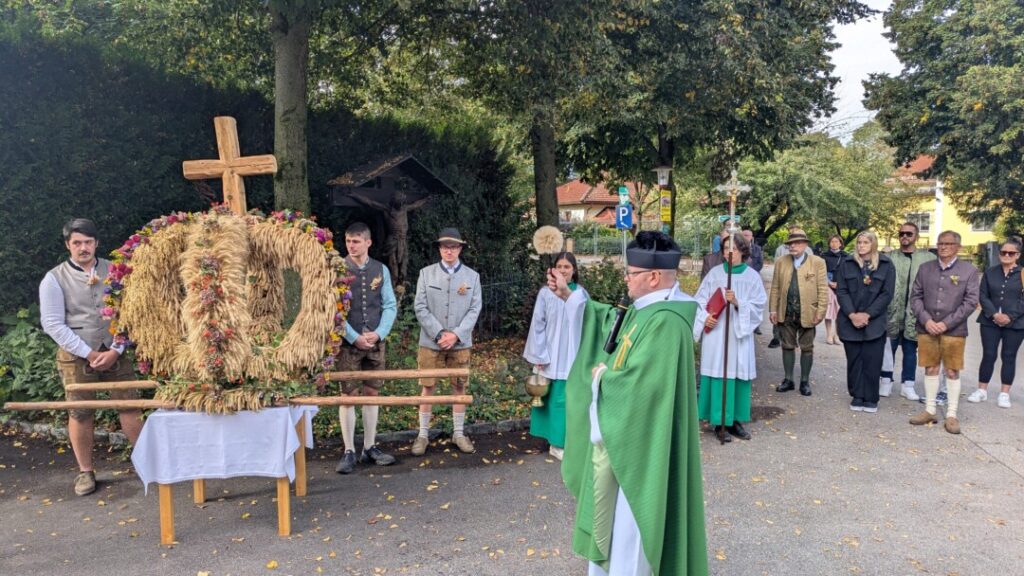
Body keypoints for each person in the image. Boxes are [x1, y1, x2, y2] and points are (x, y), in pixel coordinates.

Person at [553, 231, 707, 576]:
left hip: (642, 448)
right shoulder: (645, 311)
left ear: (653, 277)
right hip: (626, 438)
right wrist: (570, 296)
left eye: (631, 273)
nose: (626, 278)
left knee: (631, 530)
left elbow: (644, 386)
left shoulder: (668, 321)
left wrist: (601, 379)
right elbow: (611, 321)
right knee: (614, 525)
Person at [39, 218, 143, 496]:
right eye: (77, 243)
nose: (83, 247)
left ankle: (147, 464)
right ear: (68, 245)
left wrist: (116, 349)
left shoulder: (118, 270)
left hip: (115, 350)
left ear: (96, 243)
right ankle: (85, 472)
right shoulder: (54, 278)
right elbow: (52, 323)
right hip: (76, 355)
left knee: (131, 406)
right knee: (81, 412)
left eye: (87, 242)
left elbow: (131, 312)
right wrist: (88, 352)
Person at [412, 228, 482, 455]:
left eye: (453, 247)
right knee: (427, 386)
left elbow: (474, 309)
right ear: (439, 249)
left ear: (460, 248)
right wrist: (439, 333)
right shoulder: (426, 274)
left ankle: (459, 433)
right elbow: (420, 307)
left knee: (459, 386)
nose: (449, 251)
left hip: (460, 343)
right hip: (430, 341)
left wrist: (456, 335)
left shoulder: (472, 277)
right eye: (444, 246)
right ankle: (423, 435)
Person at [334, 222, 398, 474]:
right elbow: (332, 309)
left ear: (368, 243)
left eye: (356, 241)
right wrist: (352, 336)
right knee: (348, 395)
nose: (351, 245)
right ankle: (349, 450)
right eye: (348, 241)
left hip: (374, 342)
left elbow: (389, 305)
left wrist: (380, 333)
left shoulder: (381, 269)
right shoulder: (337, 269)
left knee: (372, 392)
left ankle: (369, 447)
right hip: (347, 344)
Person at [693, 234, 766, 442]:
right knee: (718, 372)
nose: (729, 252)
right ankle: (719, 422)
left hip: (738, 335)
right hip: (717, 334)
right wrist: (705, 317)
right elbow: (699, 300)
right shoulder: (715, 274)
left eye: (733, 248)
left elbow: (758, 306)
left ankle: (734, 421)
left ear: (742, 250)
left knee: (736, 373)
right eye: (725, 248)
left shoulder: (752, 277)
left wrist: (738, 302)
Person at [909, 231, 980, 434]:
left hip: (954, 330)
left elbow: (970, 302)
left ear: (958, 247)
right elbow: (915, 297)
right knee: (930, 368)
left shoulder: (969, 271)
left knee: (952, 370)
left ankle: (951, 414)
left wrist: (946, 324)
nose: (943, 247)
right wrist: (927, 320)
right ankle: (930, 410)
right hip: (927, 328)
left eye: (948, 243)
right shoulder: (925, 268)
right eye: (940, 243)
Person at [523, 252, 589, 461]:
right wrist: (539, 354)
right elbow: (538, 323)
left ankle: (566, 441)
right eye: (559, 266)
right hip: (550, 351)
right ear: (553, 270)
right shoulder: (545, 293)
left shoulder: (580, 293)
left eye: (567, 267)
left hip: (573, 352)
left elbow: (588, 323)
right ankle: (553, 443)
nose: (562, 270)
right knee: (550, 399)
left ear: (574, 270)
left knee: (566, 400)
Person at [835, 232, 895, 413]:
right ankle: (857, 395)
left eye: (866, 242)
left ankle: (870, 398)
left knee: (872, 361)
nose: (861, 245)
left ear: (873, 244)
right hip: (850, 320)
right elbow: (842, 291)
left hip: (874, 322)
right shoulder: (847, 263)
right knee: (854, 361)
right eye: (859, 242)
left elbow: (887, 294)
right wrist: (852, 315)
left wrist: (867, 314)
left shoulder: (886, 264)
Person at [768, 228, 829, 396]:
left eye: (796, 243)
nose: (792, 246)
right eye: (790, 243)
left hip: (808, 312)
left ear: (805, 244)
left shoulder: (817, 262)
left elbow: (823, 289)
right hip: (786, 311)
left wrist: (821, 311)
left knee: (807, 347)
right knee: (787, 346)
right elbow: (775, 287)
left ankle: (804, 381)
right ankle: (788, 379)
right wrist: (772, 309)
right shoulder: (781, 261)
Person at [967, 238, 1024, 409]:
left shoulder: (1022, 274)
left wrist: (1010, 316)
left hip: (1015, 323)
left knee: (1009, 356)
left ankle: (1004, 393)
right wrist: (994, 314)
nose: (1006, 255)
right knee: (989, 355)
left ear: (1018, 255)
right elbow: (983, 295)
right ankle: (981, 390)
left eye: (1011, 253)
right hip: (989, 321)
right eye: (1003, 252)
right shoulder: (990, 272)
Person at [884, 222, 936, 400]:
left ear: (917, 236)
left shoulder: (928, 258)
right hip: (891, 311)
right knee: (887, 349)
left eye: (909, 233)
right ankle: (885, 381)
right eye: (901, 234)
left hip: (915, 313)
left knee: (910, 349)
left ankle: (908, 385)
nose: (904, 236)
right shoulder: (889, 257)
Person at [768, 226, 814, 348]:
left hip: (801, 292)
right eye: (791, 234)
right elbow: (777, 270)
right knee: (781, 314)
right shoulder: (780, 250)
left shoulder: (809, 251)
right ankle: (776, 337)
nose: (793, 244)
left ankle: (796, 339)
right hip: (784, 287)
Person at [822, 235, 846, 345]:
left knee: (839, 312)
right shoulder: (824, 256)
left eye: (836, 241)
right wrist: (829, 283)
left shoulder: (846, 257)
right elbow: (821, 271)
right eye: (832, 241)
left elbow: (848, 272)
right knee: (828, 311)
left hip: (841, 287)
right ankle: (829, 335)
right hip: (827, 286)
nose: (834, 243)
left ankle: (837, 335)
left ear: (840, 243)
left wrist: (840, 284)